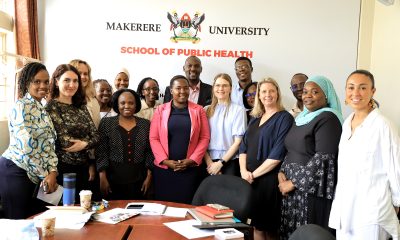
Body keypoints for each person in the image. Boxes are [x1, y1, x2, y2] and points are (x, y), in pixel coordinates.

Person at [329, 70, 400, 240]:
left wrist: (396, 205)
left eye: (362, 88)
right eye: (351, 88)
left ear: (372, 92)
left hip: (372, 210)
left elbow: (395, 167)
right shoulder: (347, 123)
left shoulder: (383, 125)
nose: (356, 93)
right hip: (345, 209)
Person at [278, 75, 343, 239]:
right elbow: (291, 148)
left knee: (309, 233)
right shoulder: (301, 118)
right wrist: (281, 174)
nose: (307, 95)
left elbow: (323, 159)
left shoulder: (328, 118)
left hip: (310, 192)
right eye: (305, 92)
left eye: (315, 92)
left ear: (326, 95)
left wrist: (292, 183)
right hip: (291, 190)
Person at [0, 62, 58, 219]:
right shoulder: (20, 107)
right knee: (18, 225)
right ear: (27, 83)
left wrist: (52, 171)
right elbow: (27, 147)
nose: (43, 86)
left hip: (36, 174)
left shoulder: (42, 109)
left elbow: (48, 145)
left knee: (35, 224)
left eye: (46, 81)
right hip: (16, 170)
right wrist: (45, 174)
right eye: (37, 81)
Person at [239, 78, 294, 240]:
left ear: (277, 93)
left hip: (268, 181)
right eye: (263, 91)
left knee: (270, 229)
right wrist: (243, 171)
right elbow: (243, 147)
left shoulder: (284, 118)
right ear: (259, 96)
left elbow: (277, 155)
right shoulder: (255, 119)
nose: (267, 95)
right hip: (249, 180)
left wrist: (253, 175)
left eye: (271, 91)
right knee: (255, 226)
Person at [150, 75, 210, 204]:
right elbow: (153, 138)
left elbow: (204, 138)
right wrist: (165, 161)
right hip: (165, 170)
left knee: (187, 207)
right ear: (171, 90)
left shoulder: (199, 110)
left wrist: (191, 160)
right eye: (178, 88)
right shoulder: (160, 110)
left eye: (185, 88)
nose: (182, 91)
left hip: (190, 169)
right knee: (164, 207)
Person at [46, 64, 100, 203]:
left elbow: (96, 136)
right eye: (67, 80)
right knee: (65, 211)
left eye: (75, 81)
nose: (72, 85)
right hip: (62, 169)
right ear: (57, 82)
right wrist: (87, 142)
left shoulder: (81, 106)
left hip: (84, 168)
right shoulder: (51, 107)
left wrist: (84, 144)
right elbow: (66, 143)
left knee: (84, 212)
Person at [96, 89, 153, 200]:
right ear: (117, 104)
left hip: (139, 180)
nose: (126, 106)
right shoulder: (106, 123)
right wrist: (102, 177)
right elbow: (101, 151)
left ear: (136, 104)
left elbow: (150, 152)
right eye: (122, 103)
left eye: (131, 103)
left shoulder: (145, 124)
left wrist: (149, 176)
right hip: (112, 180)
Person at [204, 73, 247, 176]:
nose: (221, 88)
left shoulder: (238, 110)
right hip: (208, 161)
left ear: (231, 88)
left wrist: (220, 163)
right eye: (218, 85)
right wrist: (210, 163)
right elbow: (202, 139)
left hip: (230, 161)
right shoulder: (206, 110)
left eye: (225, 85)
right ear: (213, 88)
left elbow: (238, 142)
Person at [69, 59, 101, 128]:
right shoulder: (63, 100)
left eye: (86, 74)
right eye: (79, 73)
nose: (83, 77)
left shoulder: (92, 101)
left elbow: (97, 128)